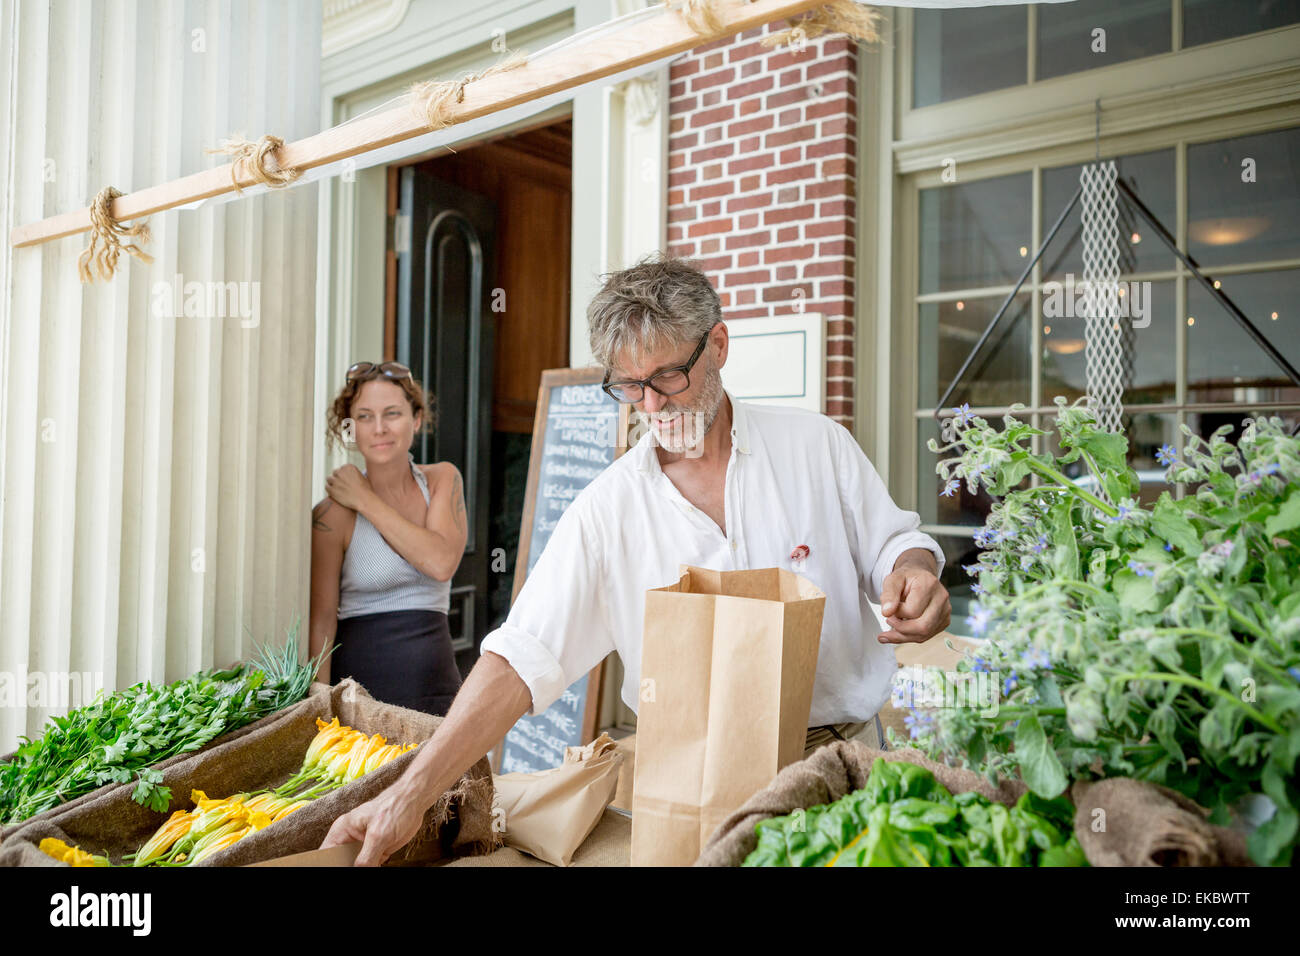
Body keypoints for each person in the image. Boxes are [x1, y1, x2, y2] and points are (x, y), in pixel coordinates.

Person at [322, 256, 951, 865]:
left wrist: (916, 572)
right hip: (701, 788)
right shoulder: (607, 509)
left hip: (848, 761)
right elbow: (520, 657)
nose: (650, 407)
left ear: (720, 345)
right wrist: (409, 793)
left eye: (669, 377)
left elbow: (896, 544)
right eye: (629, 386)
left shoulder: (817, 446)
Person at [309, 360, 468, 717]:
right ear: (350, 428)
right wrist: (317, 709)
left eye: (392, 413)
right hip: (360, 698)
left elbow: (441, 563)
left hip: (437, 691)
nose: (379, 428)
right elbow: (321, 621)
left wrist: (364, 499)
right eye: (364, 416)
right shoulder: (331, 516)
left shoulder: (442, 480)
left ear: (415, 420)